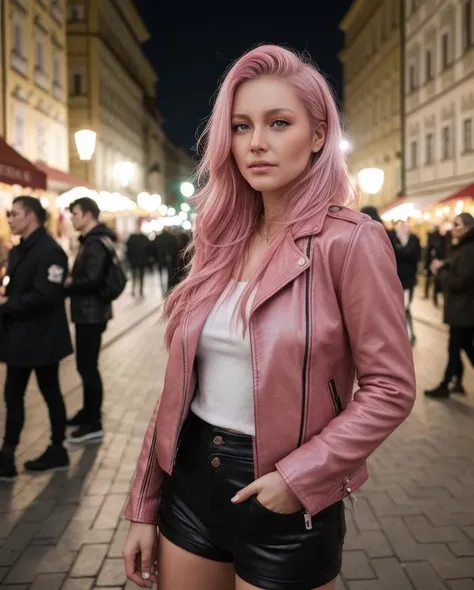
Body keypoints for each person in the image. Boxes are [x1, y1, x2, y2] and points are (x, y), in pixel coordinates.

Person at [122, 45, 415, 590]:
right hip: (189, 483)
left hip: (287, 496)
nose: (256, 142)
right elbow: (175, 392)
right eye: (240, 126)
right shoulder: (219, 241)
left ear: (319, 135)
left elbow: (391, 388)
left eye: (279, 123)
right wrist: (145, 503)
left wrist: (300, 477)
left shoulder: (349, 241)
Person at [0, 196, 72, 479]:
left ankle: (54, 449)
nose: (9, 218)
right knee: (15, 394)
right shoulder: (21, 249)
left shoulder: (50, 251)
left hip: (41, 338)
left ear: (30, 216)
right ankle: (11, 454)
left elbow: (46, 295)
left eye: (13, 213)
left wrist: (6, 304)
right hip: (21, 335)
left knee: (47, 392)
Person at [64, 197, 115, 444]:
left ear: (87, 215)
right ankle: (87, 413)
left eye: (74, 214)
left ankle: (93, 422)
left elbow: (92, 280)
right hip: (90, 311)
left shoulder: (94, 242)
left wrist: (69, 285)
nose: (71, 218)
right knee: (86, 365)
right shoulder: (94, 240)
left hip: (90, 313)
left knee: (87, 367)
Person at [425, 213, 474, 398]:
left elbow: (460, 280)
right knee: (458, 347)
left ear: (467, 228)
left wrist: (440, 273)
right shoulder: (461, 247)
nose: (453, 228)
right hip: (461, 309)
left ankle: (446, 385)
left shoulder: (468, 249)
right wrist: (445, 265)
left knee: (462, 348)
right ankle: (453, 383)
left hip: (464, 309)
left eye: (457, 224)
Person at [392, 221, 421, 345]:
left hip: (408, 281)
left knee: (406, 307)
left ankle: (410, 334)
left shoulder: (413, 240)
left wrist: (399, 248)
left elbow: (411, 254)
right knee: (399, 308)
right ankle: (404, 334)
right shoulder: (394, 239)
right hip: (396, 280)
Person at [126, 230, 151, 297]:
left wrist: (129, 259)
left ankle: (133, 290)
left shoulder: (131, 238)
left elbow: (127, 250)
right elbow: (149, 250)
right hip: (142, 260)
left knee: (134, 276)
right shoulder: (144, 238)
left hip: (133, 261)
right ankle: (140, 291)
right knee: (141, 276)